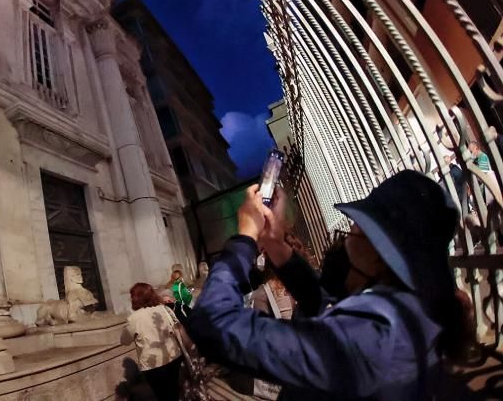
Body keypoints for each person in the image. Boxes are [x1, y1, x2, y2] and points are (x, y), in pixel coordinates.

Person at [190, 170, 473, 399]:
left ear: (379, 256)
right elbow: (324, 303)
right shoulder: (408, 309)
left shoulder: (371, 338)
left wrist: (244, 239)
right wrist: (274, 242)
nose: (347, 239)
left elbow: (213, 323)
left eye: (354, 231)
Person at [121, 283, 183, 401]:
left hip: (152, 364)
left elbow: (124, 341)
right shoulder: (164, 309)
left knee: (162, 395)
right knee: (174, 391)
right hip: (173, 356)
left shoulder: (134, 318)